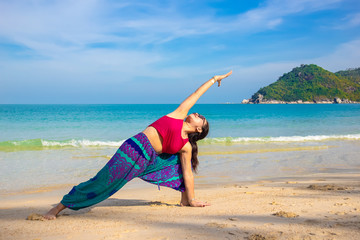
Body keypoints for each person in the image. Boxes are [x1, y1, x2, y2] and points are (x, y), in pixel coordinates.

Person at [44, 70, 232, 220]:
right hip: (133, 149)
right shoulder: (179, 114)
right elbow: (196, 94)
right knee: (104, 182)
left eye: (201, 118)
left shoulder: (186, 147)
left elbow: (188, 174)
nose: (198, 114)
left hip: (146, 161)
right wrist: (214, 79)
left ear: (199, 130)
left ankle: (185, 200)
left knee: (183, 166)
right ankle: (58, 207)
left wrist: (192, 199)